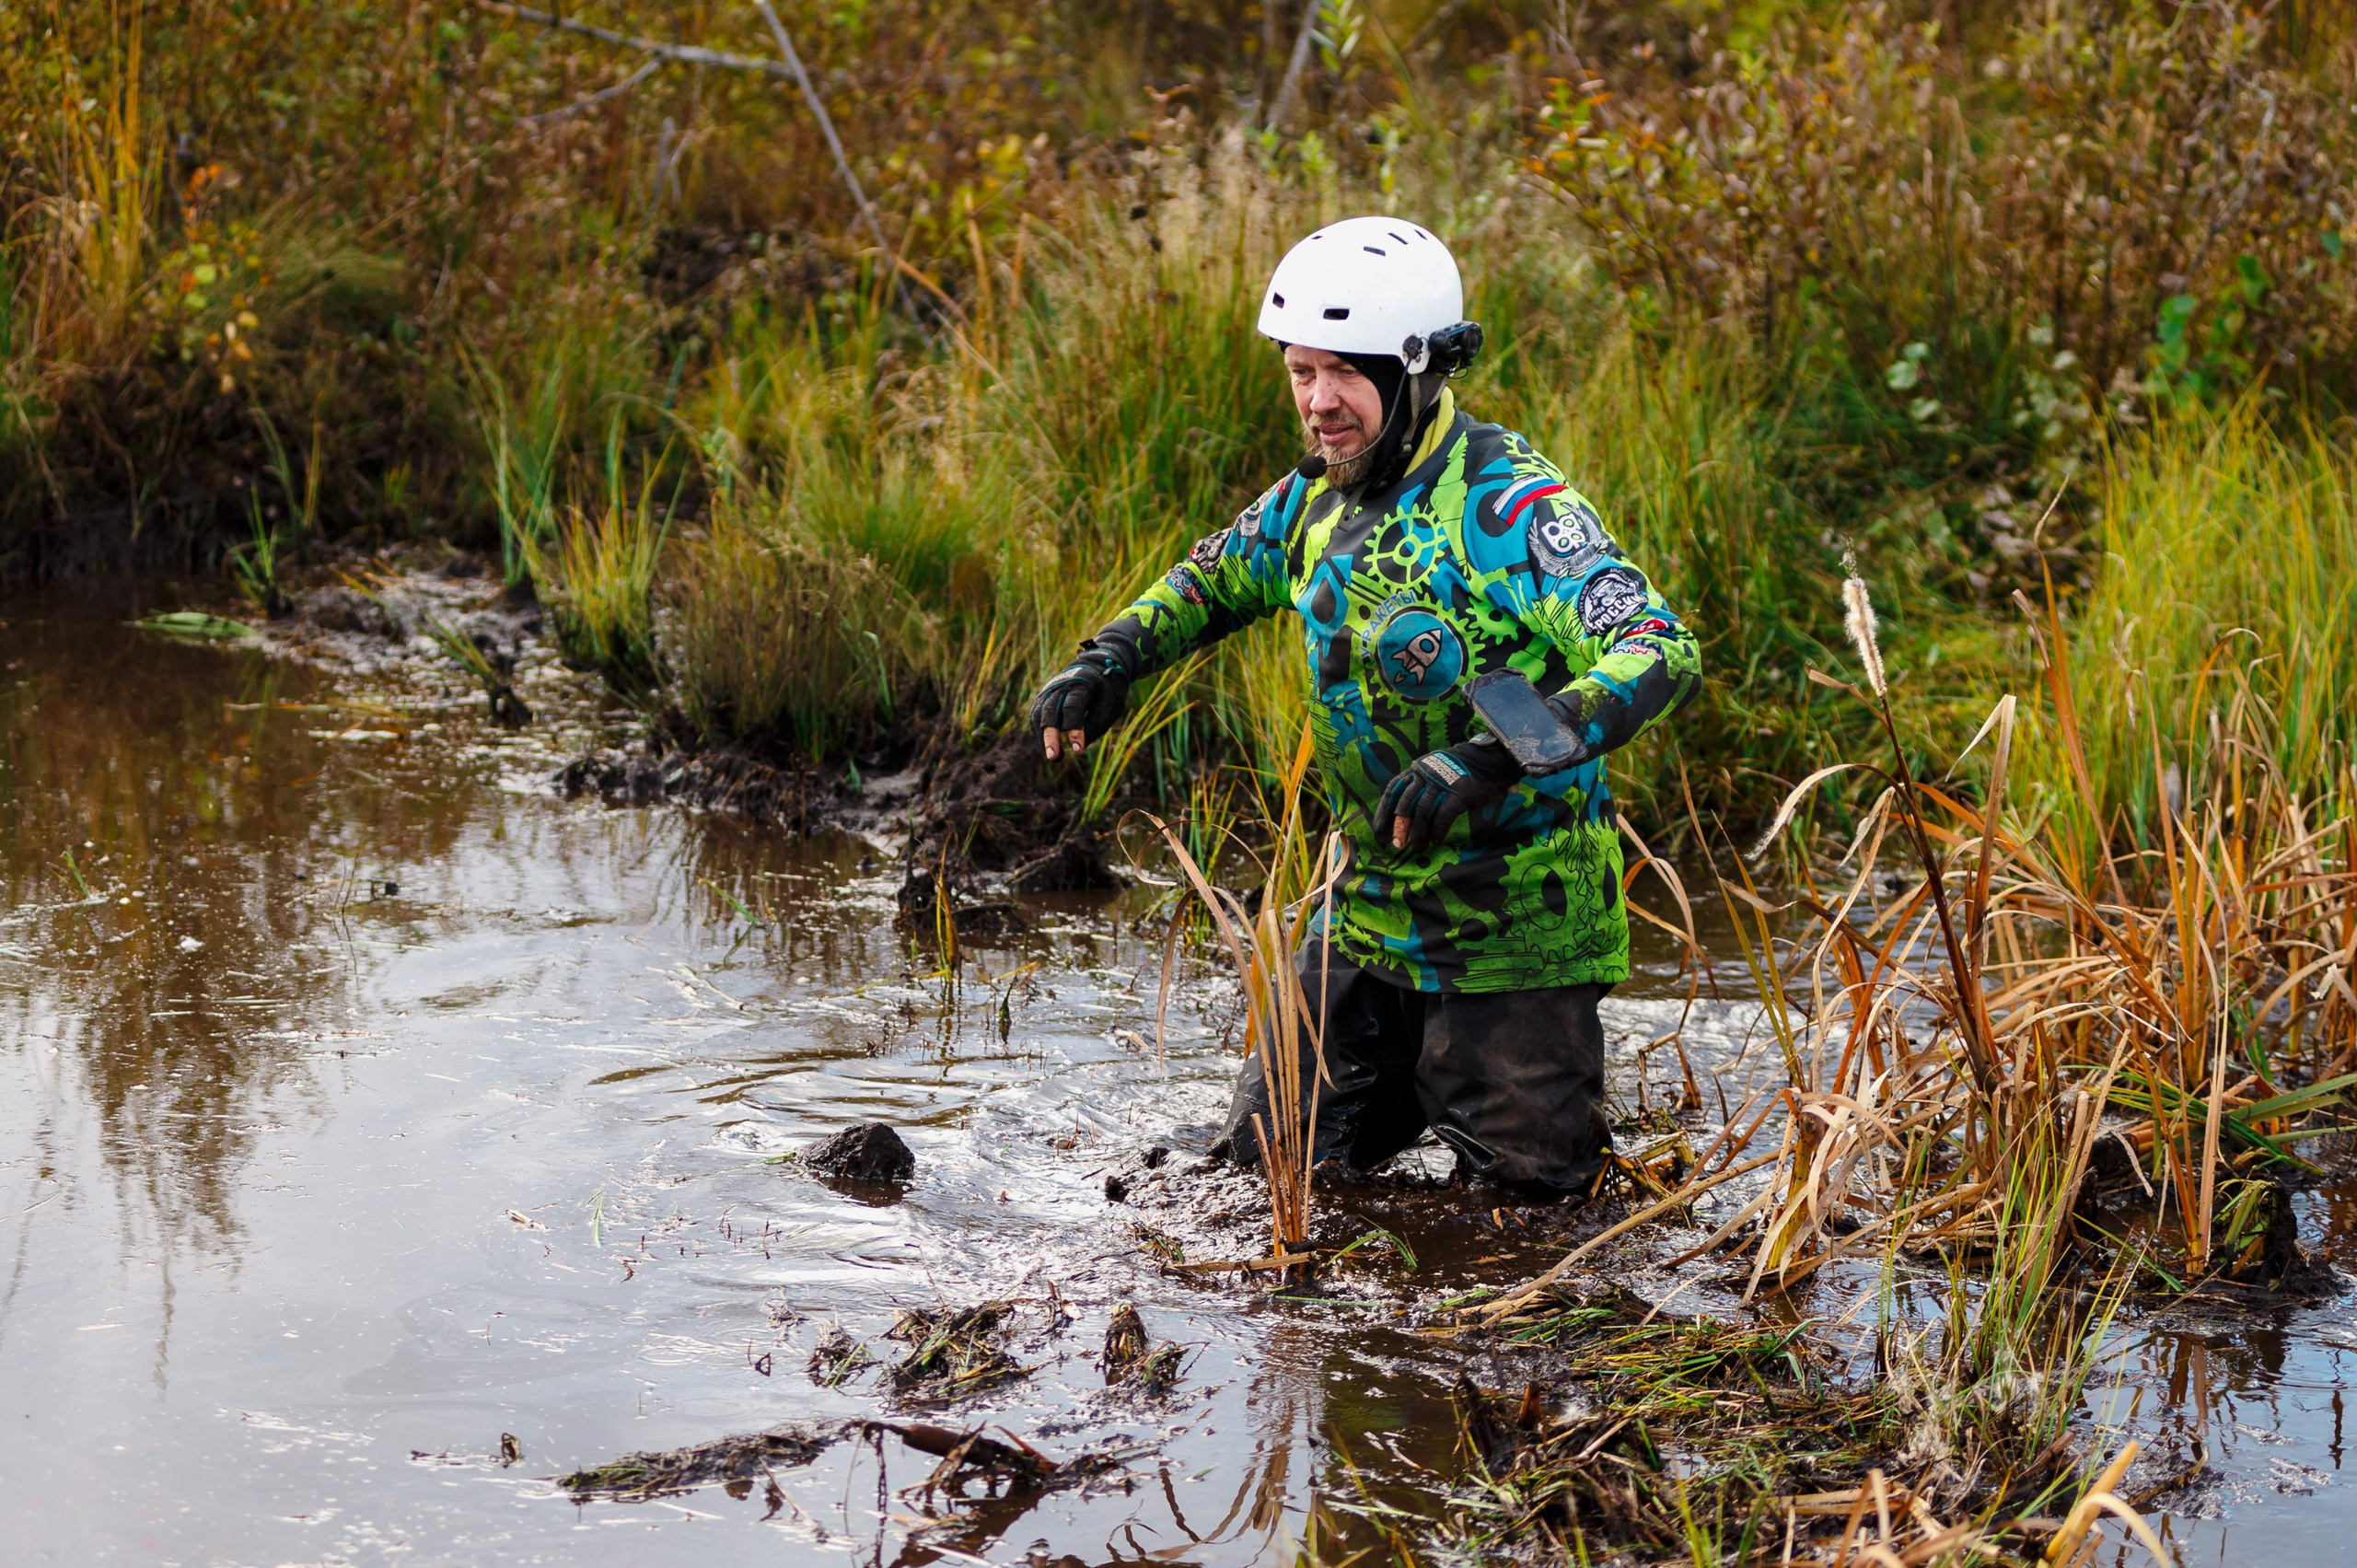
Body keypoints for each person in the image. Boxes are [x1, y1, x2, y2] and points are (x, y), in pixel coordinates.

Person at [1027, 216, 1701, 1198]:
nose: (1318, 402)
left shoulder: (1509, 507)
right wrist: (1111, 655)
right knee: (1261, 1176)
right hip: (1364, 914)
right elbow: (1216, 575)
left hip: (1515, 930)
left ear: (1419, 371)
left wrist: (1491, 757)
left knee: (1527, 1225)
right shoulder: (1316, 497)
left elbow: (1657, 645)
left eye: (1345, 372)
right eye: (1301, 372)